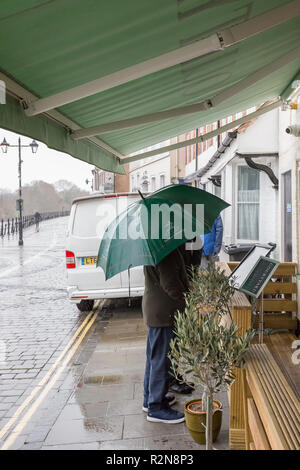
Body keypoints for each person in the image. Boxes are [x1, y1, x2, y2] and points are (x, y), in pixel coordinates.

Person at [142, 246, 189, 424]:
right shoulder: (165, 251)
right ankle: (156, 407)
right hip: (164, 313)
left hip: (155, 311)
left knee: (153, 358)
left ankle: (150, 399)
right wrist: (187, 297)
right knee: (161, 360)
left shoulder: (156, 246)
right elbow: (170, 285)